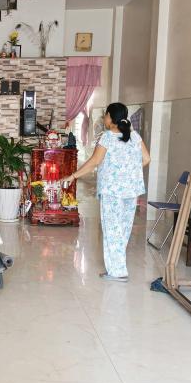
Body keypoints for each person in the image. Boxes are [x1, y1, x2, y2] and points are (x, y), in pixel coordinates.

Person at [62, 102, 150, 281]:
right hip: (131, 190)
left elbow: (94, 162)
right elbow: (147, 159)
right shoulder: (135, 136)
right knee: (123, 229)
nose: (104, 118)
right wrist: (129, 171)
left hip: (112, 191)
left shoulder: (107, 137)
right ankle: (118, 267)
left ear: (111, 117)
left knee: (112, 229)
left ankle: (117, 272)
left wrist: (72, 176)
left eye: (106, 115)